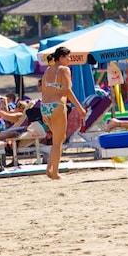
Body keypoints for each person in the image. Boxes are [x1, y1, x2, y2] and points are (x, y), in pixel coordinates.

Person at [40, 47, 86, 180]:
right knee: (58, 141)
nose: (70, 60)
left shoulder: (48, 70)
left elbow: (43, 91)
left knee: (58, 138)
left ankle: (49, 168)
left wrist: (43, 113)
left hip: (45, 106)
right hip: (57, 106)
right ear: (61, 57)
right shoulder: (64, 70)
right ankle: (55, 173)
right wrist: (80, 108)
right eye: (68, 57)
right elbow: (68, 91)